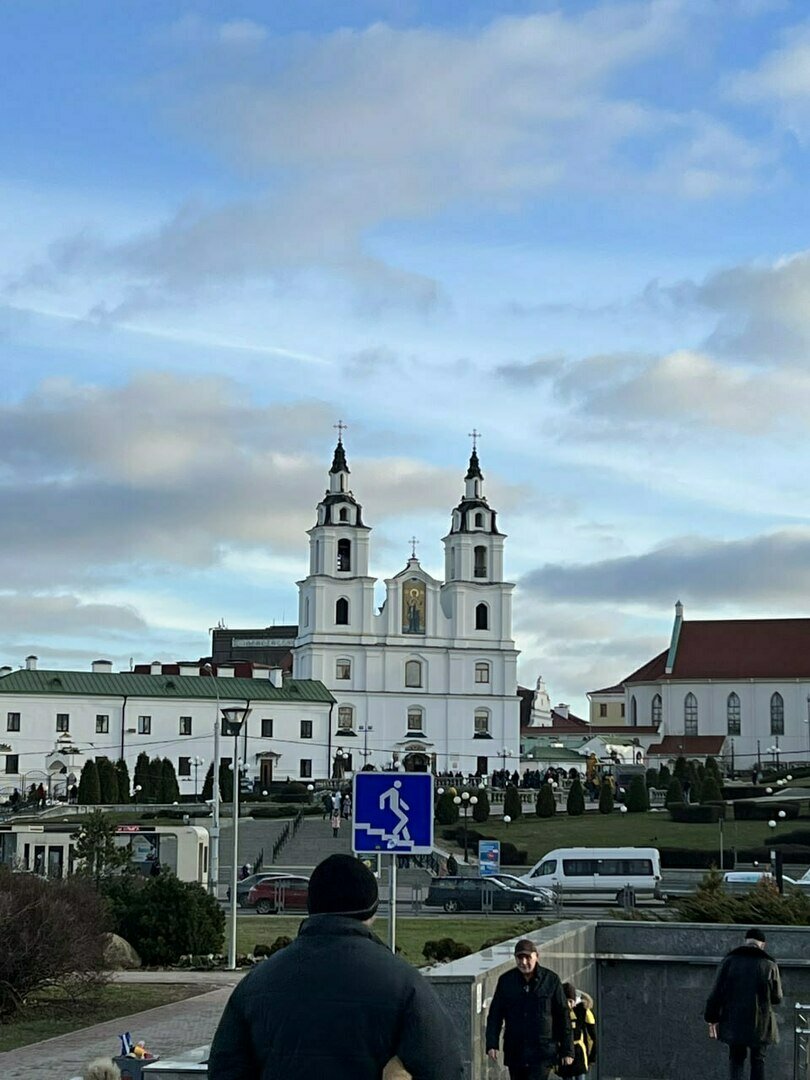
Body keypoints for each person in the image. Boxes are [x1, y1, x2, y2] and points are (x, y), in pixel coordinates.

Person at [208, 853, 462, 1080]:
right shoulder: (405, 985)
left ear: (311, 907)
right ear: (372, 910)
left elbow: (225, 1068)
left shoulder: (256, 984)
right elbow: (444, 1067)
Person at [486, 938, 574, 1080]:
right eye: (520, 958)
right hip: (516, 1051)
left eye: (528, 957)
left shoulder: (551, 980)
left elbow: (563, 1016)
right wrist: (492, 1043)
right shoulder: (506, 981)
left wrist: (567, 1050)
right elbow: (495, 1014)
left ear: (536, 957)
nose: (524, 962)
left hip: (542, 1052)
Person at [704, 927, 783, 1080]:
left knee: (736, 1059)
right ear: (763, 945)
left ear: (746, 942)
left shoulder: (730, 961)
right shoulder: (769, 964)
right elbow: (777, 997)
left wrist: (711, 1017)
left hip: (734, 1020)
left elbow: (716, 992)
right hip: (761, 1021)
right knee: (758, 1060)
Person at [556, 982, 596, 1079]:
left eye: (570, 1001)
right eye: (566, 1001)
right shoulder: (556, 1012)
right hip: (563, 1052)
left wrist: (592, 1057)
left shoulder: (583, 1010)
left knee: (580, 1075)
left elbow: (592, 1036)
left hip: (579, 1053)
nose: (568, 1004)